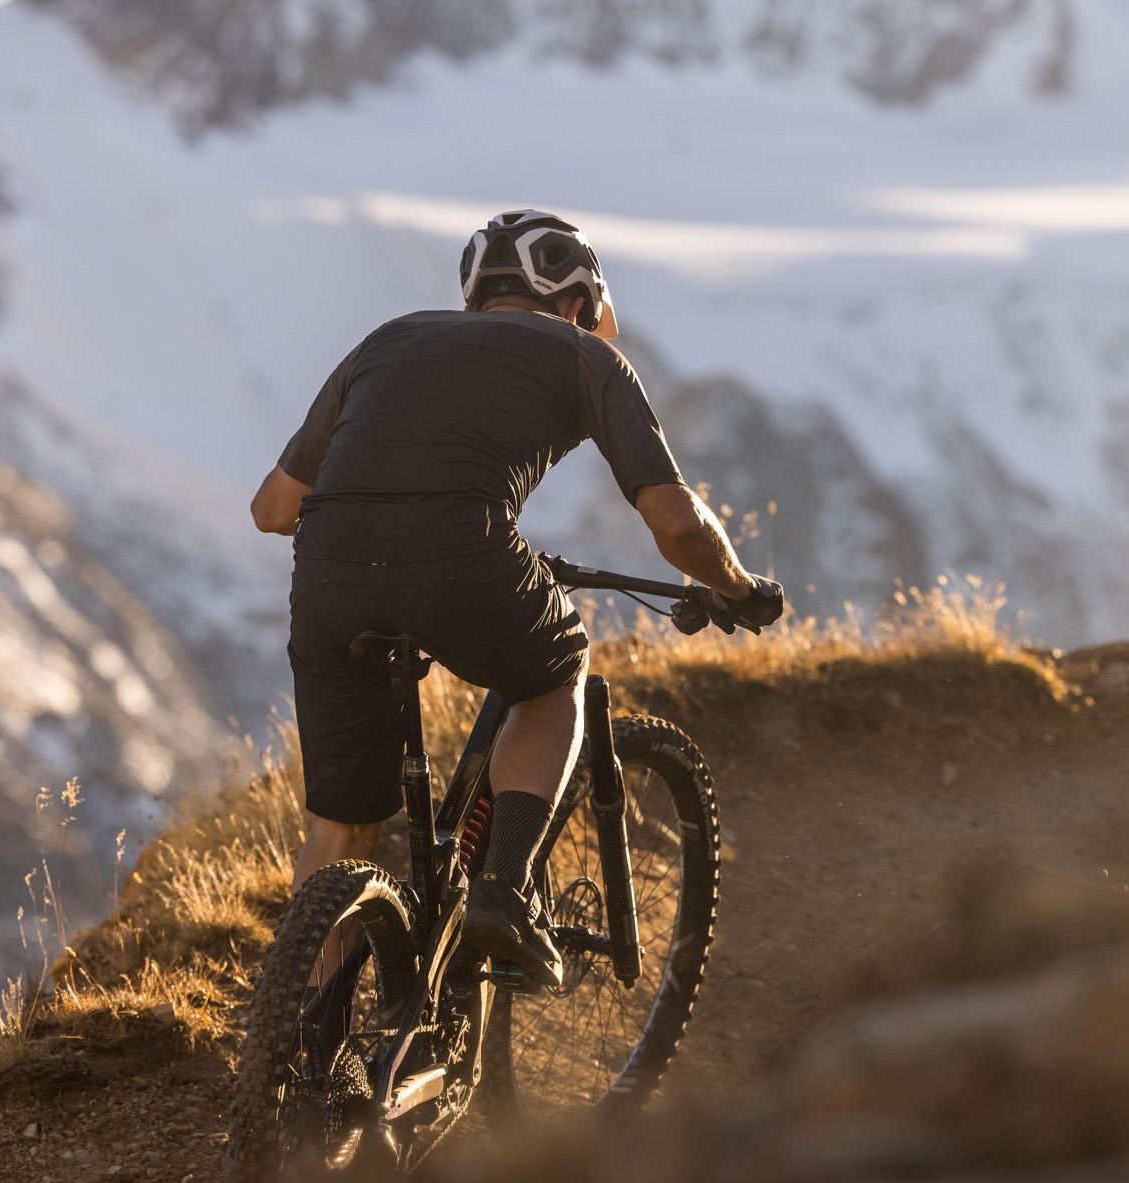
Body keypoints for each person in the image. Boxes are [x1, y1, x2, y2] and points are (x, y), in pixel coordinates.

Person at [250, 208, 784, 986]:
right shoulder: (585, 357)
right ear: (578, 301)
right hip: (463, 554)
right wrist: (737, 587)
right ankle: (502, 892)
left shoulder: (387, 341)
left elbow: (273, 511)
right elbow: (677, 523)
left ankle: (300, 1052)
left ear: (475, 297)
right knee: (555, 670)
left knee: (342, 826)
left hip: (327, 574)